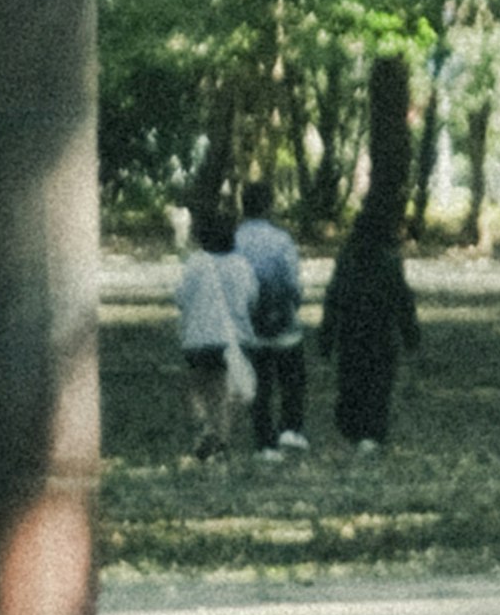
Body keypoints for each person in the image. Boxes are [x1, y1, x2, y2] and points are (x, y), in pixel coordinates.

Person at [324, 185, 423, 449]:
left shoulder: (347, 259)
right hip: (381, 332)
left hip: (351, 330)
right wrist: (410, 334)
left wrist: (327, 335)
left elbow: (333, 297)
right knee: (378, 383)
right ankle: (373, 432)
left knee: (351, 380)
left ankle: (353, 427)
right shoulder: (390, 261)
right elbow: (403, 300)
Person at [173, 205, 254, 462]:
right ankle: (221, 441)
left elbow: (180, 297)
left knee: (196, 386)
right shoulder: (241, 265)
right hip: (231, 339)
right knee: (223, 395)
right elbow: (252, 299)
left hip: (197, 337)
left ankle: (203, 426)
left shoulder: (195, 263)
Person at [234, 177, 309, 452]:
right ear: (268, 206)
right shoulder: (282, 240)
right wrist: (294, 304)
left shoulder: (234, 240)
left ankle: (264, 439)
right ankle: (291, 427)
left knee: (260, 383)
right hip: (283, 320)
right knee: (292, 379)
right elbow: (292, 281)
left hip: (250, 324)